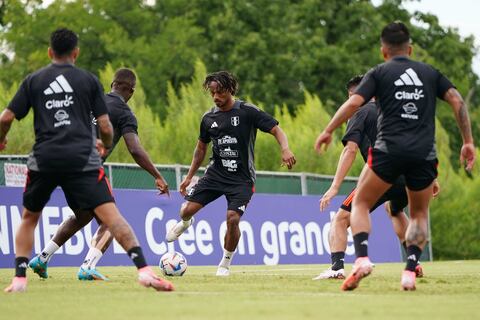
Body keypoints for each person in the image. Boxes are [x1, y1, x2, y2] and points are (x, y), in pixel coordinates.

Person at [0, 28, 173, 292]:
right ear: (76, 53)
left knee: (39, 218)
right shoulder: (89, 84)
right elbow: (114, 133)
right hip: (83, 162)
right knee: (110, 217)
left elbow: (6, 118)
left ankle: (26, 272)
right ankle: (121, 269)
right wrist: (104, 143)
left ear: (49, 52)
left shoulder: (34, 80)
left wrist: (1, 140)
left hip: (44, 157)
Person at [315, 22, 475, 291]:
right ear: (410, 48)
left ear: (383, 51)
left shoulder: (380, 73)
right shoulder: (429, 73)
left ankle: (362, 258)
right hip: (423, 156)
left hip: (388, 154)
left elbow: (354, 102)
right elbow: (458, 101)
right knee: (418, 213)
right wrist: (468, 141)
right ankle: (410, 270)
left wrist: (329, 129)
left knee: (361, 204)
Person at [27, 68, 169, 281]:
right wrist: (157, 175)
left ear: (112, 85)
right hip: (87, 167)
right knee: (112, 220)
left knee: (82, 216)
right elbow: (135, 149)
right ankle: (87, 267)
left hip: (61, 164)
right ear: (131, 91)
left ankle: (42, 258)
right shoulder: (124, 113)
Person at [166, 71, 296, 276]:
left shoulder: (247, 111)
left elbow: (276, 130)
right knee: (186, 211)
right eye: (212, 93)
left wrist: (285, 149)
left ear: (231, 90)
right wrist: (189, 176)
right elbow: (200, 149)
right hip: (215, 175)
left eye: (220, 92)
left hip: (242, 179)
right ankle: (186, 222)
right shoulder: (208, 118)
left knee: (233, 218)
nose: (216, 97)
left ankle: (224, 264)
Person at [313, 75, 439, 280]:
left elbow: (350, 151)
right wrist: (432, 178)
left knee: (341, 219)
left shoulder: (360, 112)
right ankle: (413, 263)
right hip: (410, 175)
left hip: (383, 174)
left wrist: (335, 186)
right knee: (395, 209)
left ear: (356, 95)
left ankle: (337, 268)